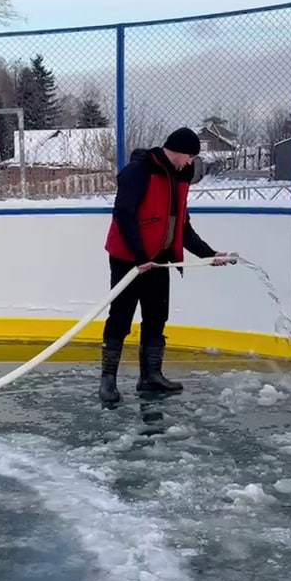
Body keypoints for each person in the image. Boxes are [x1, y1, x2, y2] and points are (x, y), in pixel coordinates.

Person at [99, 127, 229, 406]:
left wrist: (208, 254)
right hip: (129, 259)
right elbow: (124, 214)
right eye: (190, 156)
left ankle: (151, 376)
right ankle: (108, 380)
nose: (190, 162)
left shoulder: (179, 177)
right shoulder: (140, 171)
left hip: (159, 260)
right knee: (121, 316)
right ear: (180, 151)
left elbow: (182, 225)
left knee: (156, 316)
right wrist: (139, 257)